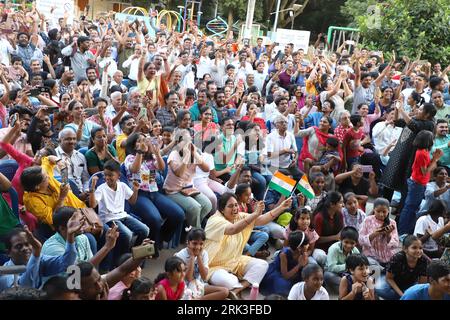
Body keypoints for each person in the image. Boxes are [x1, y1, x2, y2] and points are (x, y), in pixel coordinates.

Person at [204, 193, 292, 296]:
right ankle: (235, 285)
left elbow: (261, 220)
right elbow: (233, 229)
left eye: (236, 205)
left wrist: (282, 207)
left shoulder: (239, 216)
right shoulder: (215, 220)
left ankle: (236, 290)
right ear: (222, 210)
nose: (235, 208)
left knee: (262, 265)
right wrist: (255, 214)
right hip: (213, 266)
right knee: (230, 282)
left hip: (234, 261)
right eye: (230, 206)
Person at [124, 133, 184, 250]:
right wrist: (140, 152)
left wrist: (156, 152)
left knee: (178, 214)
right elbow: (134, 169)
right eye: (139, 141)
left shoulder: (150, 158)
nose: (143, 143)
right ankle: (149, 247)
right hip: (139, 195)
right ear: (133, 145)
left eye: (144, 140)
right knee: (155, 219)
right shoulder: (130, 158)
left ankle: (160, 237)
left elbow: (161, 167)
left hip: (154, 193)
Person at [89, 160, 149, 259]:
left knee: (145, 230)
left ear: (118, 176)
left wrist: (135, 189)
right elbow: (92, 204)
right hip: (109, 219)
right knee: (127, 235)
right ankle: (122, 259)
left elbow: (132, 201)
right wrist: (92, 188)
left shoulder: (122, 186)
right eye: (105, 175)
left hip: (122, 215)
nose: (107, 178)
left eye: (111, 175)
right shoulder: (101, 188)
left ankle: (135, 254)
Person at [0, 225, 77, 291]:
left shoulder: (39, 259)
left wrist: (70, 235)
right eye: (19, 246)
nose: (25, 248)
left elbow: (66, 263)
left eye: (27, 244)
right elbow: (25, 288)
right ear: (8, 253)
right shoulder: (5, 273)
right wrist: (36, 252)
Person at [163, 129, 212, 229]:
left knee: (207, 205)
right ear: (177, 142)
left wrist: (194, 154)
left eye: (189, 139)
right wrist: (186, 156)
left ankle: (191, 228)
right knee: (195, 208)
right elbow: (179, 174)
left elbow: (206, 169)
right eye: (184, 140)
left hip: (189, 189)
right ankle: (196, 233)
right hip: (173, 191)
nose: (187, 143)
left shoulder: (193, 152)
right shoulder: (174, 154)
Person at [21, 156, 86, 229]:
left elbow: (48, 159)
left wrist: (59, 161)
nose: (49, 177)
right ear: (37, 186)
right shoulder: (32, 201)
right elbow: (54, 219)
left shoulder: (43, 173)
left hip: (81, 209)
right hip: (69, 224)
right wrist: (62, 198)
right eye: (46, 178)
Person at [398, 130, 443, 235]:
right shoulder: (422, 153)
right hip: (417, 183)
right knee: (410, 208)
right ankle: (402, 232)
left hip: (419, 183)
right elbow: (425, 171)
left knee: (412, 207)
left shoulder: (424, 151)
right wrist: (435, 159)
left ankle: (407, 230)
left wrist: (434, 159)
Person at [175, 228, 229, 300]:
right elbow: (189, 278)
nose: (198, 247)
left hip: (199, 285)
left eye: (201, 244)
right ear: (188, 242)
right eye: (194, 243)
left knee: (225, 291)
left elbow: (204, 277)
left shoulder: (204, 254)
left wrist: (199, 257)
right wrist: (192, 257)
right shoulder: (181, 255)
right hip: (185, 288)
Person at [376, 235, 428, 300]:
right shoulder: (397, 258)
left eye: (420, 248)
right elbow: (389, 278)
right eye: (414, 248)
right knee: (379, 288)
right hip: (391, 281)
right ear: (405, 249)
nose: (418, 251)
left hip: (409, 283)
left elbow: (421, 284)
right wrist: (403, 295)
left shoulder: (423, 260)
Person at [260, 231, 310, 296]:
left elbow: (304, 266)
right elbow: (285, 276)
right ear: (299, 247)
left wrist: (305, 261)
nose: (308, 245)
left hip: (293, 272)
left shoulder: (302, 253)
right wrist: (299, 265)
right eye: (306, 244)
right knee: (284, 287)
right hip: (279, 273)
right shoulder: (284, 254)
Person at [359, 197, 399, 268]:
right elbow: (360, 240)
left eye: (384, 212)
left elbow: (395, 244)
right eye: (378, 211)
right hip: (370, 255)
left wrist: (388, 235)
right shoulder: (367, 220)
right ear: (374, 209)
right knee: (374, 268)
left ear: (388, 211)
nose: (381, 214)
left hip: (387, 256)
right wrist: (375, 234)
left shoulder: (392, 223)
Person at [235, 184, 270, 259]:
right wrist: (256, 212)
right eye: (246, 195)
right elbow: (244, 223)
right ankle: (252, 253)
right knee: (246, 246)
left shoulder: (247, 204)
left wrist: (258, 210)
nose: (249, 197)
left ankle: (250, 252)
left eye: (250, 195)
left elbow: (254, 219)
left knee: (266, 231)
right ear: (239, 196)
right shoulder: (236, 207)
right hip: (239, 234)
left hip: (248, 230)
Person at [324, 226, 360, 293]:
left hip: (347, 274)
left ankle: (348, 287)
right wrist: (348, 266)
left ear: (356, 243)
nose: (349, 245)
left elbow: (359, 265)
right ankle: (350, 286)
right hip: (334, 273)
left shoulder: (355, 251)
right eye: (346, 242)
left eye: (352, 243)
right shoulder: (334, 249)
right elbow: (331, 268)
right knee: (327, 275)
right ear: (340, 240)